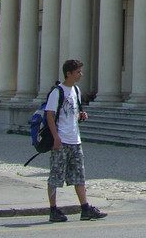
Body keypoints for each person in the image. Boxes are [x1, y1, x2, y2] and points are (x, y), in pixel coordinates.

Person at [45, 59, 107, 222]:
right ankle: (53, 210)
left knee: (79, 176)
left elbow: (73, 113)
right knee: (56, 176)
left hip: (75, 140)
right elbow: (49, 115)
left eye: (80, 71)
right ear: (69, 73)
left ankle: (85, 208)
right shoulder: (57, 92)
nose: (81, 74)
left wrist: (81, 116)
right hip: (61, 140)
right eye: (78, 72)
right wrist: (56, 138)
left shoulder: (76, 91)